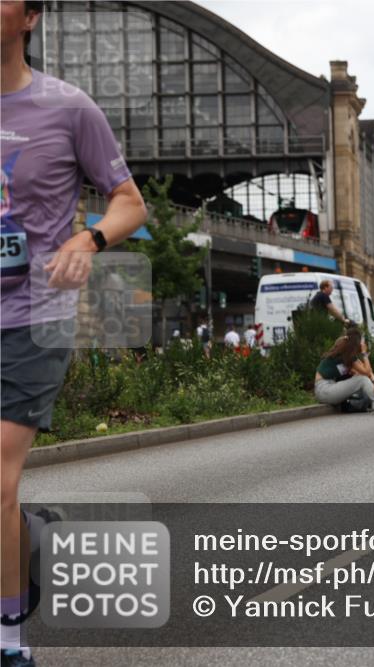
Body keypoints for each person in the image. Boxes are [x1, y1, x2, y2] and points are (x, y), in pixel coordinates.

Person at [1, 4, 148, 665]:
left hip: (32, 316)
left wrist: (89, 239)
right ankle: (25, 536)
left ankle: (9, 639)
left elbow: (129, 199)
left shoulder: (68, 108)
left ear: (29, 16)